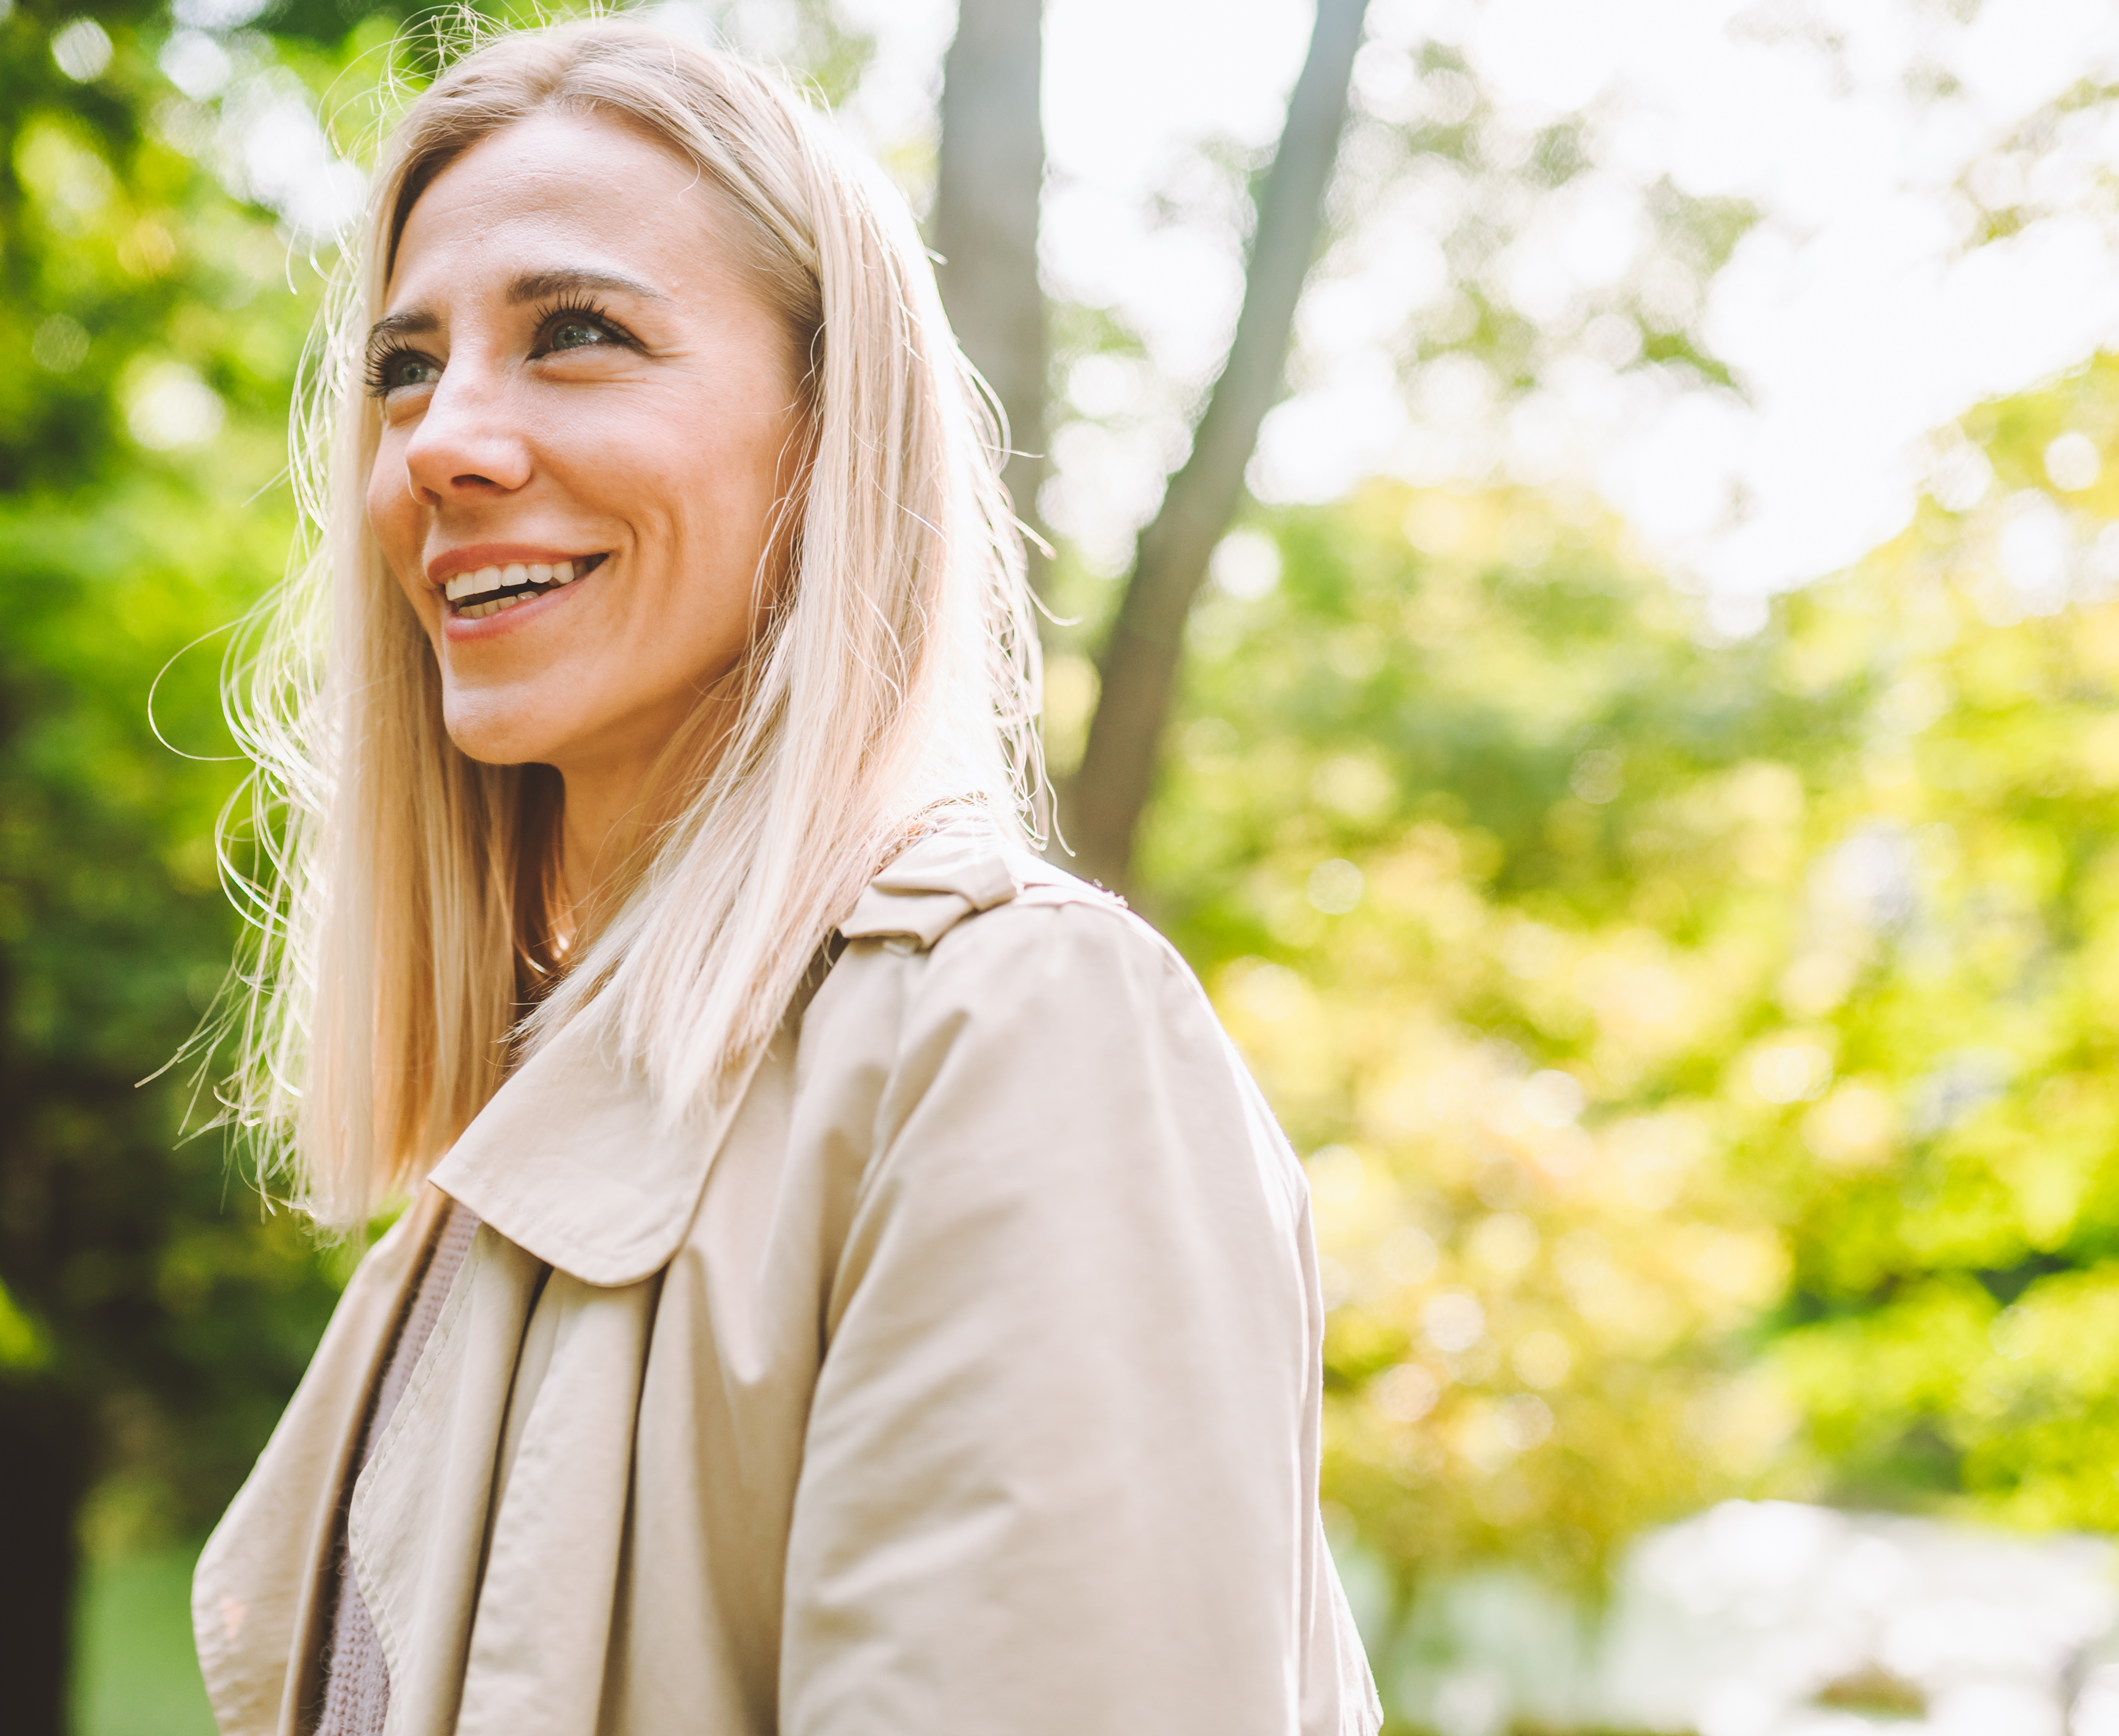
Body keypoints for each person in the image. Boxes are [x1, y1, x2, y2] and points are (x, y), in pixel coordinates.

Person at [191, 18, 1381, 1736]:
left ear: (831, 432)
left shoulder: (1009, 1040)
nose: (441, 443)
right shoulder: (493, 1175)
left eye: (578, 333)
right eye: (404, 366)